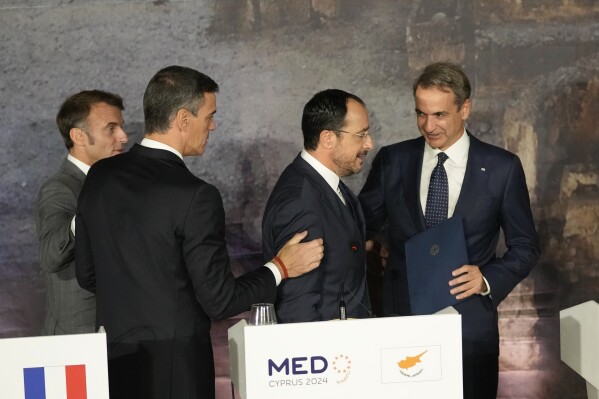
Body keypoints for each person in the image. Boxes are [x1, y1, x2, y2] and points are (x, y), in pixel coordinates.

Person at [75, 65, 324, 399]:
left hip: (115, 365)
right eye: (209, 115)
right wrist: (280, 267)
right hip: (178, 374)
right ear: (183, 119)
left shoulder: (99, 176)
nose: (213, 125)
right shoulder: (195, 195)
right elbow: (220, 301)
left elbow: (88, 275)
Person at [358, 62, 540, 399]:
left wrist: (486, 279)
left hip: (469, 331)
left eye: (440, 114)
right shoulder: (392, 160)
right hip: (401, 327)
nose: (429, 126)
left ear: (465, 108)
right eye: (421, 114)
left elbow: (526, 246)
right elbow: (359, 226)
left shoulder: (502, 168)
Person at [262, 89, 374, 322]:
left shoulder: (330, 187)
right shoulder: (300, 201)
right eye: (361, 135)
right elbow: (297, 306)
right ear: (328, 138)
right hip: (329, 354)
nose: (369, 144)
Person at [34, 90, 127, 335]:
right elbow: (51, 255)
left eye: (122, 127)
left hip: (116, 331)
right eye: (111, 128)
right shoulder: (60, 189)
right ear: (79, 136)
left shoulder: (114, 184)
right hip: (77, 343)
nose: (124, 137)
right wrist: (87, 213)